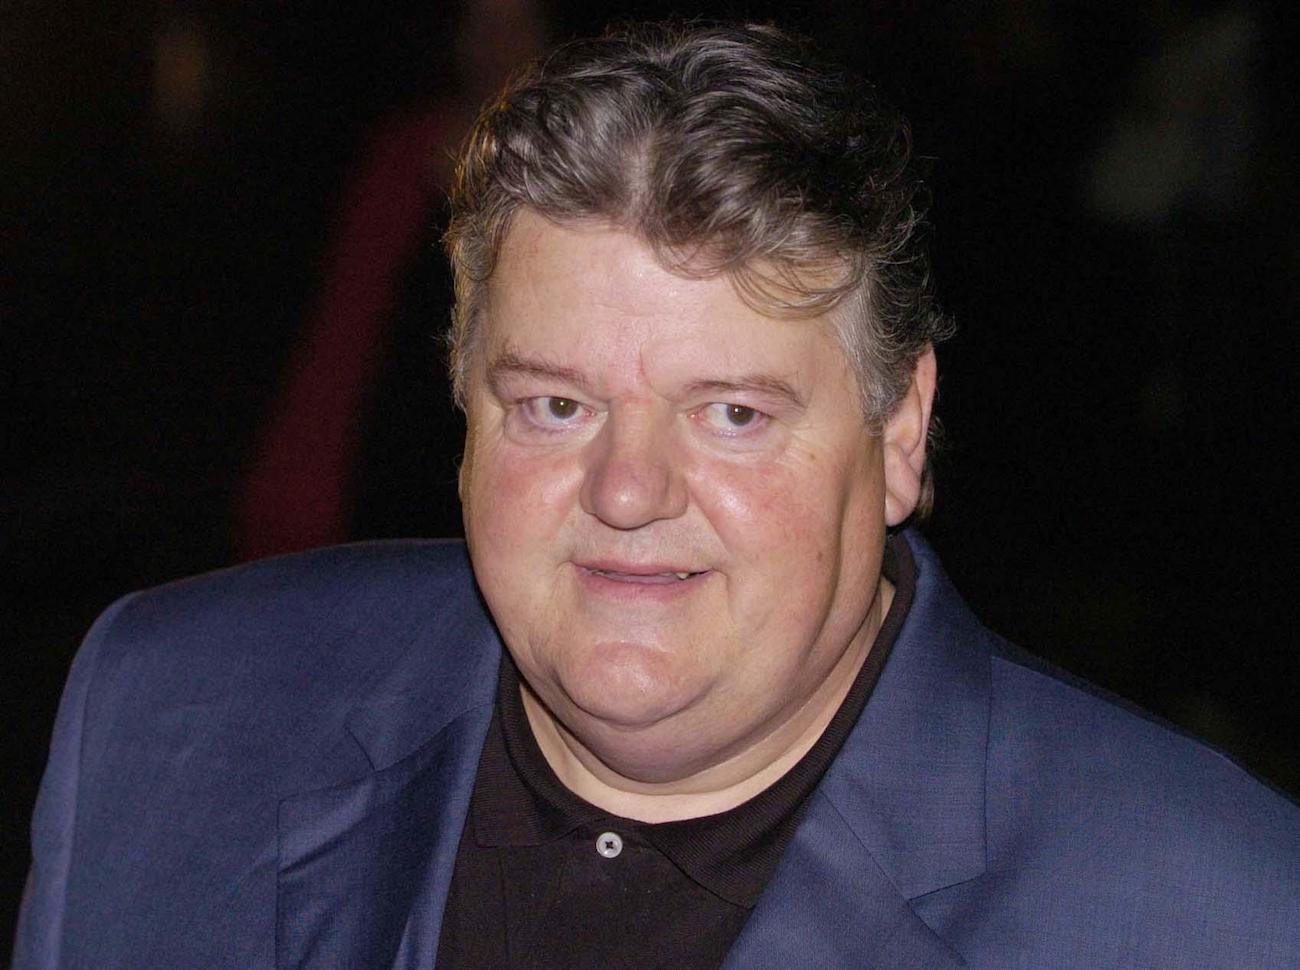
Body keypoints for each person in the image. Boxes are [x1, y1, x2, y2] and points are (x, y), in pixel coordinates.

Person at [14, 21, 1299, 970]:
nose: (627, 491)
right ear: (461, 401)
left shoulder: (1208, 910)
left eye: (732, 413)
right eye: (554, 406)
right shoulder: (169, 718)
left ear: (901, 431)